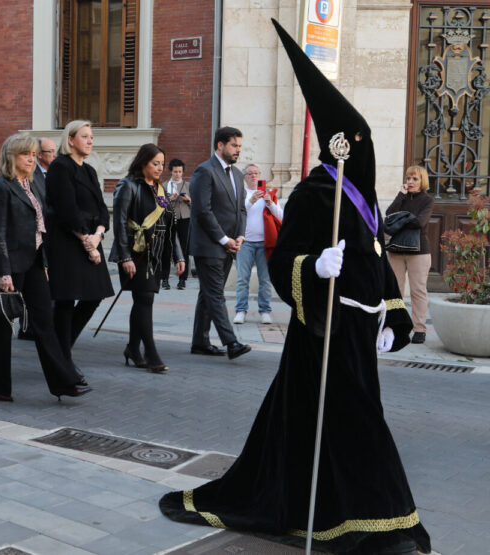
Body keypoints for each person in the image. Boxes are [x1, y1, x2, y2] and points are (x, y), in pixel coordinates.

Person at [159, 20, 431, 555]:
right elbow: (285, 263)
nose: (366, 147)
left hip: (358, 332)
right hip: (322, 331)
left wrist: (394, 318)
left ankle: (360, 513)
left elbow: (377, 261)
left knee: (350, 421)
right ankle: (377, 519)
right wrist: (314, 267)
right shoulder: (315, 195)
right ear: (341, 146)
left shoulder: (365, 198)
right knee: (352, 422)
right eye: (358, 140)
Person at [0, 133, 92, 402]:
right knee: (2, 323)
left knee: (45, 322)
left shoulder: (32, 185)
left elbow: (40, 231)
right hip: (11, 265)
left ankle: (63, 383)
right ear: (11, 157)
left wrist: (43, 263)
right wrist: (4, 272)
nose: (31, 159)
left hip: (32, 263)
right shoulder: (0, 187)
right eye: (25, 154)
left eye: (33, 154)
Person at [45, 121, 114, 377]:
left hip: (90, 241)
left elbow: (101, 211)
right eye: (85, 136)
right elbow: (66, 210)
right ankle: (62, 357)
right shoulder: (60, 168)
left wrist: (97, 236)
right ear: (70, 139)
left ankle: (61, 349)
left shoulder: (90, 171)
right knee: (65, 301)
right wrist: (86, 240)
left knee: (94, 295)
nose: (90, 141)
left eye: (92, 137)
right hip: (66, 243)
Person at [109, 143, 185, 373]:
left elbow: (169, 226)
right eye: (155, 163)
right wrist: (125, 257)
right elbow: (120, 223)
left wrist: (178, 256)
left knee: (143, 300)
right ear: (143, 163)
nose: (160, 168)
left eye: (162, 163)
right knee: (145, 300)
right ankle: (151, 353)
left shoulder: (160, 190)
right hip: (134, 252)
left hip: (155, 254)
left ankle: (133, 348)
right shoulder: (127, 186)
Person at [188, 127, 251, 360]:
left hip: (230, 244)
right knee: (215, 294)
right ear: (220, 145)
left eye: (240, 146)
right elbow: (202, 210)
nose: (238, 150)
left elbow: (241, 209)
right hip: (209, 245)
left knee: (208, 294)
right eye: (234, 145)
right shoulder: (204, 171)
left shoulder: (236, 174)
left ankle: (200, 342)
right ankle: (231, 342)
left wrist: (240, 236)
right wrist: (224, 239)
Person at [385, 166, 435, 345]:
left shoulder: (427, 200)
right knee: (394, 290)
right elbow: (389, 215)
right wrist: (401, 196)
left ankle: (419, 329)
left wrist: (401, 219)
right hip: (396, 250)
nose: (410, 182)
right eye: (408, 178)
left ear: (422, 181)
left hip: (419, 251)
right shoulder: (402, 198)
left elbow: (420, 223)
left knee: (418, 291)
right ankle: (394, 326)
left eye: (414, 179)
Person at [233, 163, 283, 325]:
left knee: (265, 279)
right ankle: (240, 310)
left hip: (264, 243)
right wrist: (250, 203)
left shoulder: (269, 194)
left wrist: (270, 203)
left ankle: (265, 310)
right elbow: (236, 217)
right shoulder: (241, 194)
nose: (254, 176)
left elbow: (281, 216)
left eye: (256, 173)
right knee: (242, 279)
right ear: (245, 178)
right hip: (245, 242)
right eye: (250, 174)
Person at [18, 136, 57, 341]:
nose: (55, 155)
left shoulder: (55, 173)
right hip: (33, 243)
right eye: (50, 151)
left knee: (45, 289)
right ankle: (30, 326)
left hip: (50, 240)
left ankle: (37, 327)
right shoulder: (31, 178)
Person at [160, 159, 192, 290]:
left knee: (184, 249)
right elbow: (160, 204)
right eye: (175, 172)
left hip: (184, 219)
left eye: (180, 172)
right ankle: (164, 279)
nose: (177, 174)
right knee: (167, 248)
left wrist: (189, 200)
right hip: (169, 219)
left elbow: (195, 204)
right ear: (171, 172)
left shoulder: (188, 185)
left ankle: (182, 279)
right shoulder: (164, 185)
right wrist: (170, 199)